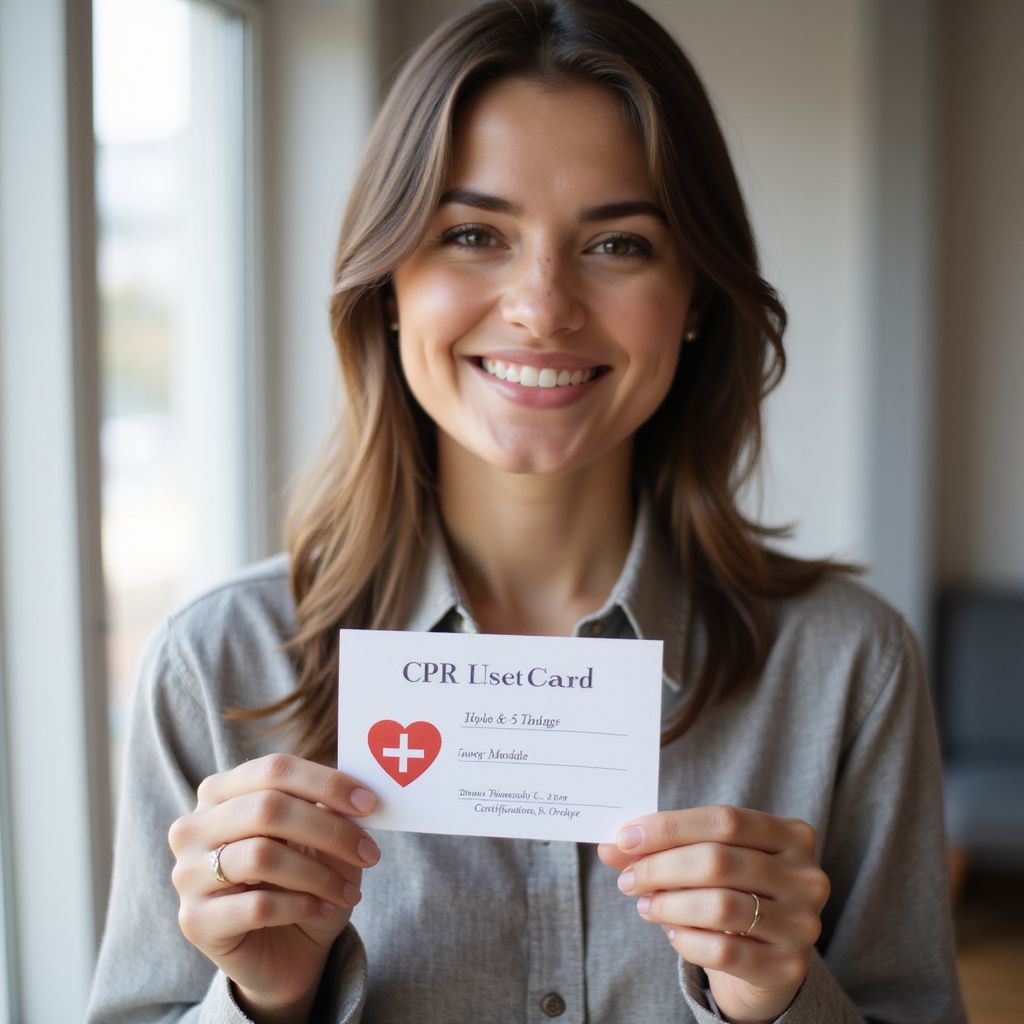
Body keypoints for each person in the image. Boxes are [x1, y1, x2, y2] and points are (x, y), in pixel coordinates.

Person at [87, 1, 967, 1022]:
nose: (541, 305)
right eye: (472, 234)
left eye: (618, 244)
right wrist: (265, 1000)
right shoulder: (217, 664)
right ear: (388, 287)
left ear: (693, 297)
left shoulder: (848, 667)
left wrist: (778, 1003)